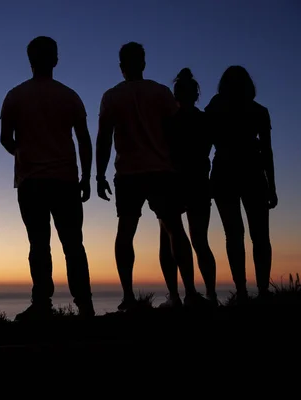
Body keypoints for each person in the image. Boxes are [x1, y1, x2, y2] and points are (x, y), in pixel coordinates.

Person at [95, 42, 210, 311]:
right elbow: (175, 131)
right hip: (162, 171)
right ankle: (191, 293)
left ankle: (129, 297)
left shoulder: (111, 96)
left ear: (122, 66)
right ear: (143, 63)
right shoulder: (160, 93)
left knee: (126, 232)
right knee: (175, 230)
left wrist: (99, 175)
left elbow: (104, 139)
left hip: (128, 173)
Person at [0, 36, 95, 320]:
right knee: (73, 244)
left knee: (38, 244)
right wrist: (87, 177)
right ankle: (85, 304)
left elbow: (6, 139)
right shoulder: (69, 96)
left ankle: (42, 303)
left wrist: (21, 151)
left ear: (30, 61)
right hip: (65, 180)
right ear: (55, 59)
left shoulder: (15, 96)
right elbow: (84, 141)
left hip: (31, 182)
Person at [204, 66, 277, 303]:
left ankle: (243, 292)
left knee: (234, 235)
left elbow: (205, 149)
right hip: (252, 174)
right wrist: (272, 186)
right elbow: (267, 152)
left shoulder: (215, 108)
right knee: (259, 236)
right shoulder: (258, 111)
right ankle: (262, 291)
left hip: (225, 174)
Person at [158, 68, 218, 307]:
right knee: (200, 241)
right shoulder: (206, 120)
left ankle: (177, 296)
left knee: (168, 239)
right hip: (200, 183)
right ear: (196, 95)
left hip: (173, 183)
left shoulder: (169, 123)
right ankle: (211, 294)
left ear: (175, 95)